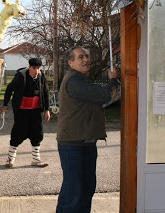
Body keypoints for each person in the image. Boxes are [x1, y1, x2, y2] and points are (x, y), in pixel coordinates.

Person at [56, 46, 119, 212]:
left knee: (86, 190)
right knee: (73, 193)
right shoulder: (74, 81)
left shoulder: (82, 80)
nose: (85, 59)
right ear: (70, 63)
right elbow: (103, 95)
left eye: (86, 56)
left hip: (86, 143)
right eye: (80, 57)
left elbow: (103, 98)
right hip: (73, 145)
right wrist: (113, 80)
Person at [1, 57, 51, 168]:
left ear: (41, 68)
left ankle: (36, 160)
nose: (36, 70)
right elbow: (9, 89)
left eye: (38, 68)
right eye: (34, 68)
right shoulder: (21, 75)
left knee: (37, 133)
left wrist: (47, 109)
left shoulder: (42, 76)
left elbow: (45, 92)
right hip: (21, 110)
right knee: (18, 132)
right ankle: (10, 159)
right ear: (29, 67)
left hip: (36, 110)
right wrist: (5, 104)